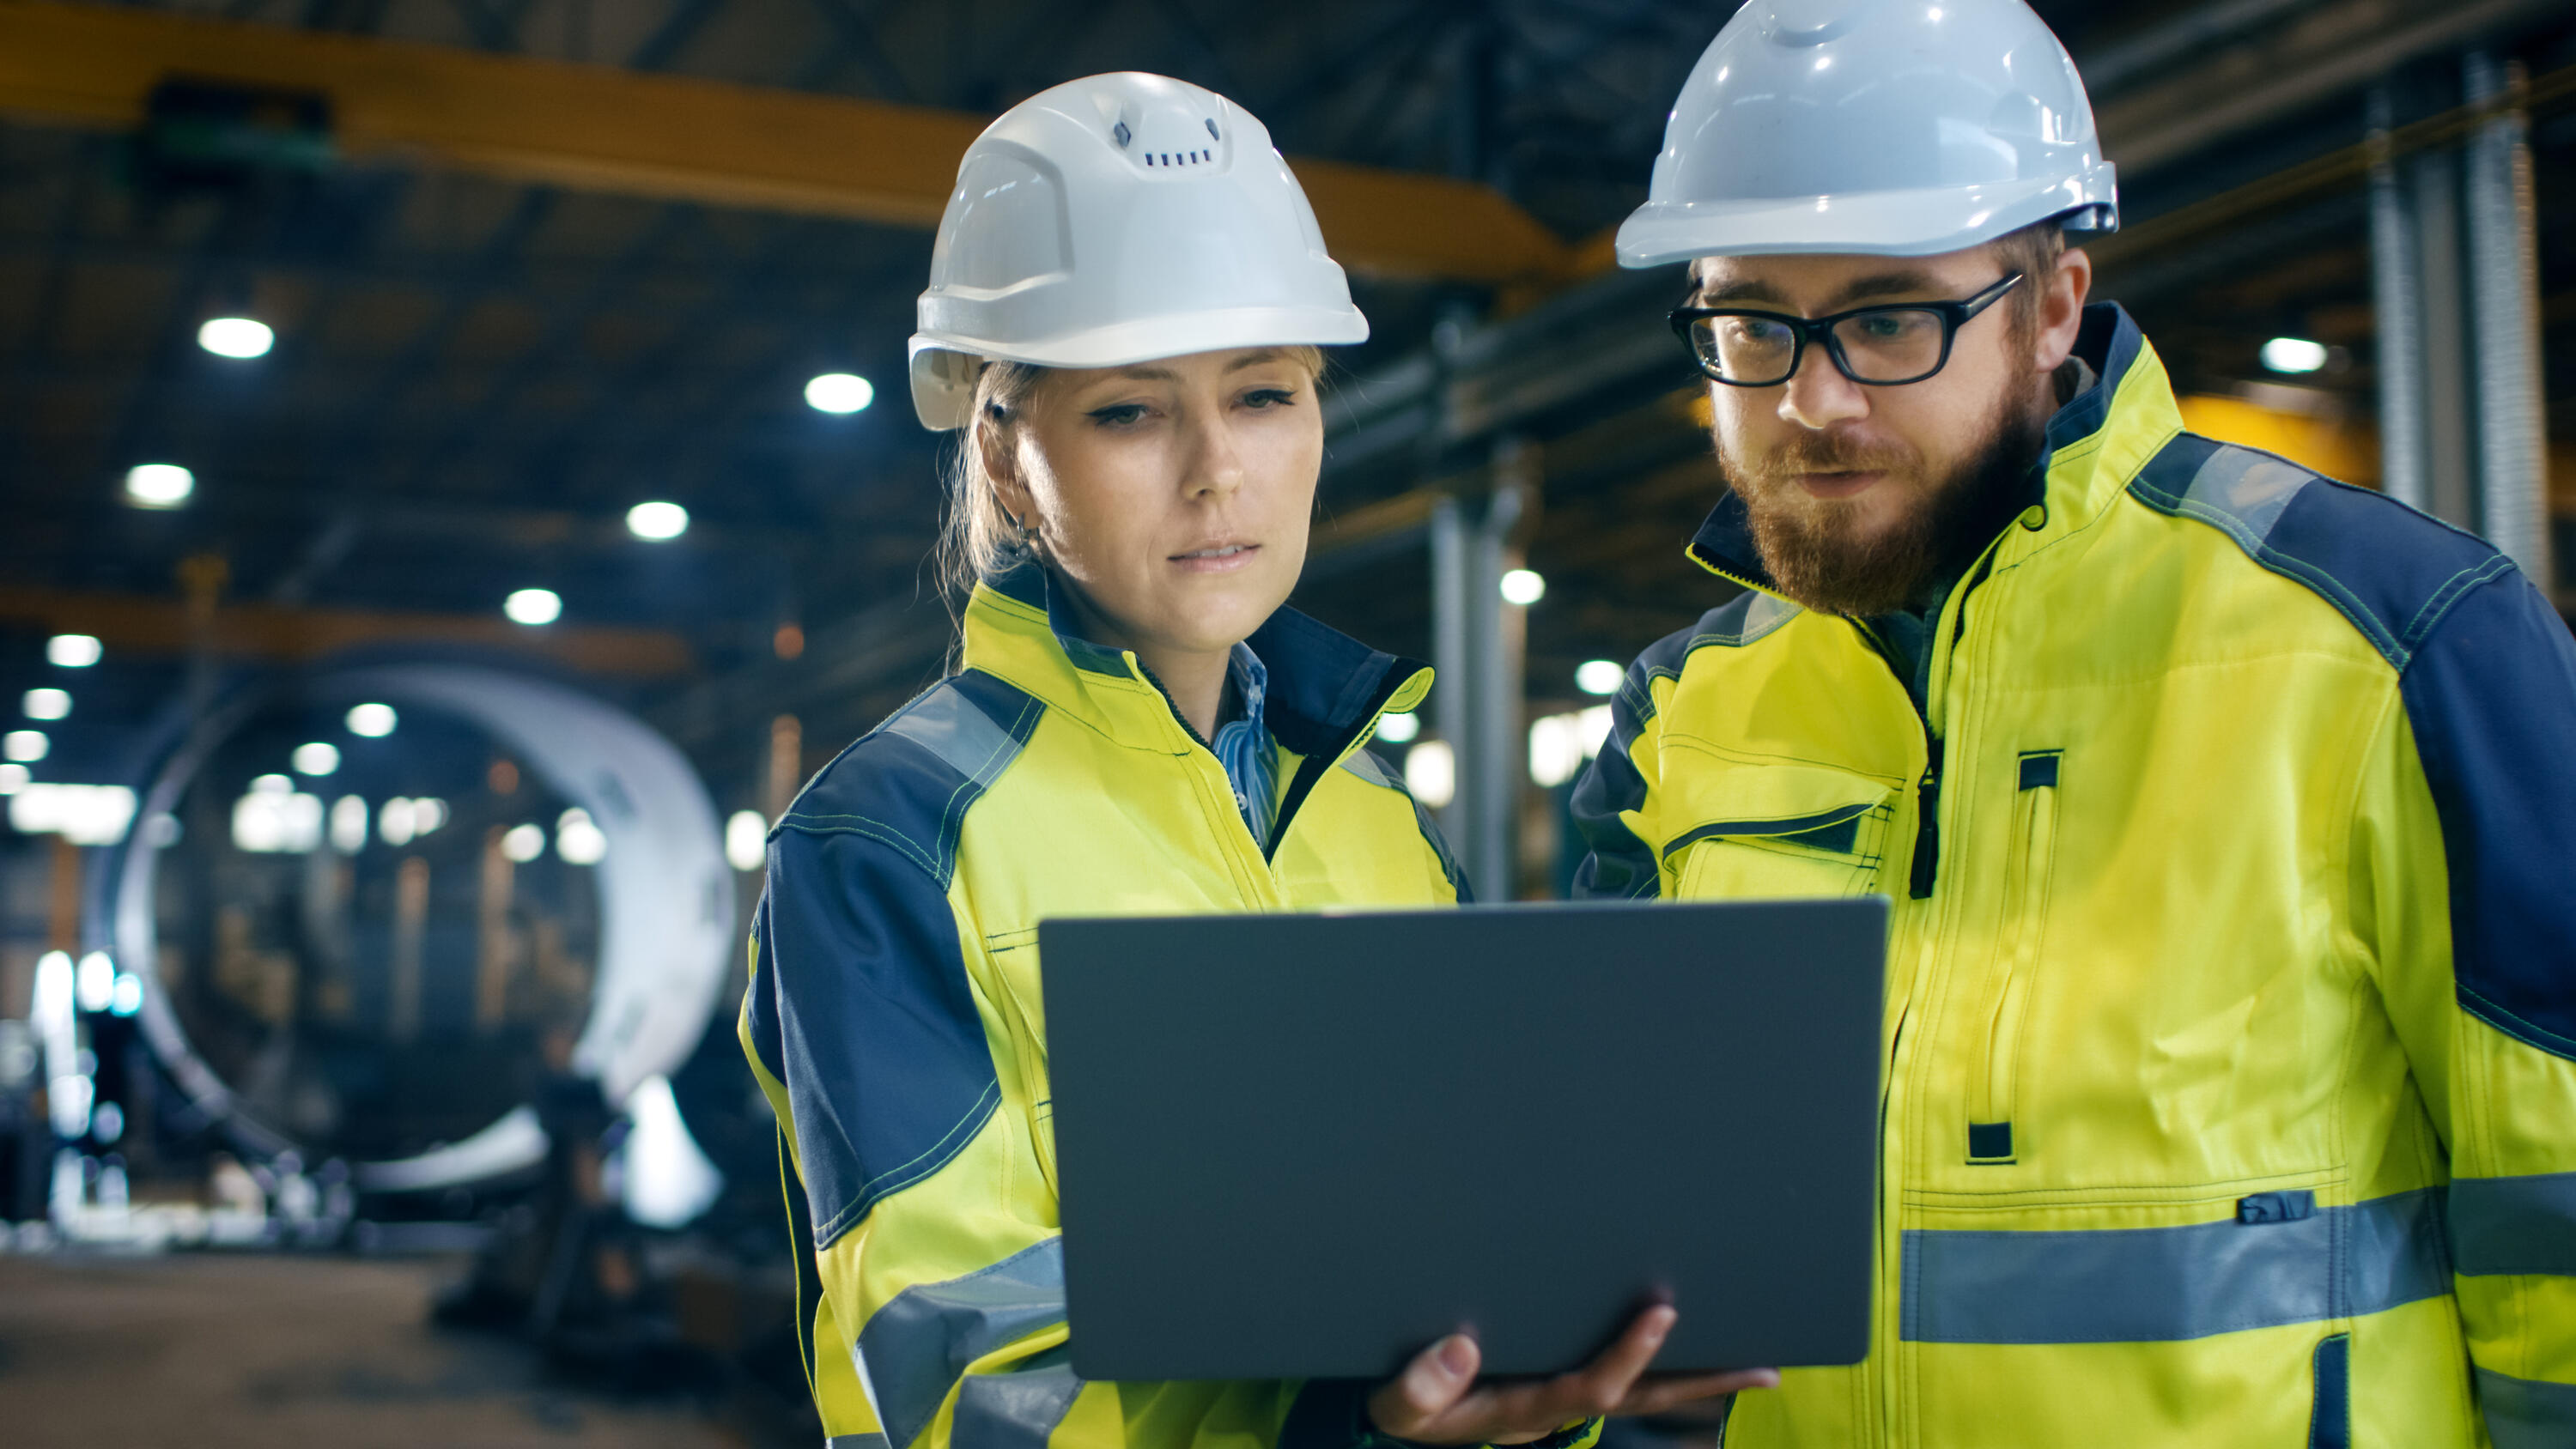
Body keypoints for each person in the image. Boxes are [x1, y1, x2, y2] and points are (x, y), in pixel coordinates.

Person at [1571, 3, 2576, 1446]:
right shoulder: (1683, 714)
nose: (1811, 397)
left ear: (2052, 307)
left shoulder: (2394, 645)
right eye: (1749, 323)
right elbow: (1634, 1271)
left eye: (1889, 316)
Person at [740, 74, 1771, 1449]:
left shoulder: (1372, 817)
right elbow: (965, 1394)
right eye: (1130, 413)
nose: (1218, 472)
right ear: (1002, 453)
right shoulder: (889, 842)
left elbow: (1483, 1253)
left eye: (1265, 394)